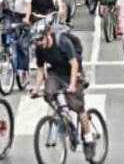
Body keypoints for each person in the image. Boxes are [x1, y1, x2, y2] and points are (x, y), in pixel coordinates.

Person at [30, 20, 95, 161]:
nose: (39, 43)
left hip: (72, 72)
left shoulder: (63, 42)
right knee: (49, 93)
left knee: (78, 107)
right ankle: (63, 118)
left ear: (48, 34)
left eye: (40, 39)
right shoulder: (40, 49)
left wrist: (72, 85)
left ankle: (88, 141)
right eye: (36, 41)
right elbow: (41, 69)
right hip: (55, 73)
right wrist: (36, 89)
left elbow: (74, 64)